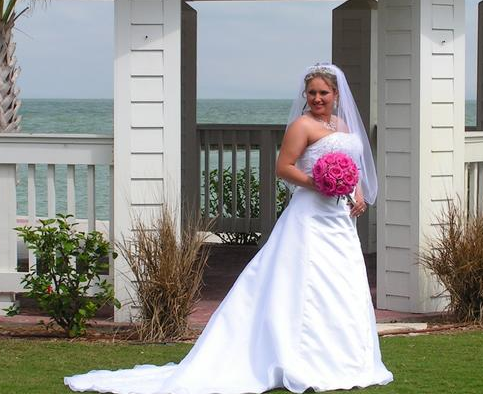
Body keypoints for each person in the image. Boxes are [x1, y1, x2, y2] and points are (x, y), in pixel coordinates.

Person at [65, 63, 393, 394]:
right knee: (305, 283)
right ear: (305, 95)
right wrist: (317, 183)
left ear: (336, 94)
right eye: (312, 92)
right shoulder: (302, 125)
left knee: (341, 283)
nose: (318, 98)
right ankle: (298, 356)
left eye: (324, 92)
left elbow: (354, 167)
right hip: (310, 217)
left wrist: (359, 193)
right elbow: (284, 168)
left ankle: (344, 357)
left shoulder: (344, 124)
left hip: (339, 219)